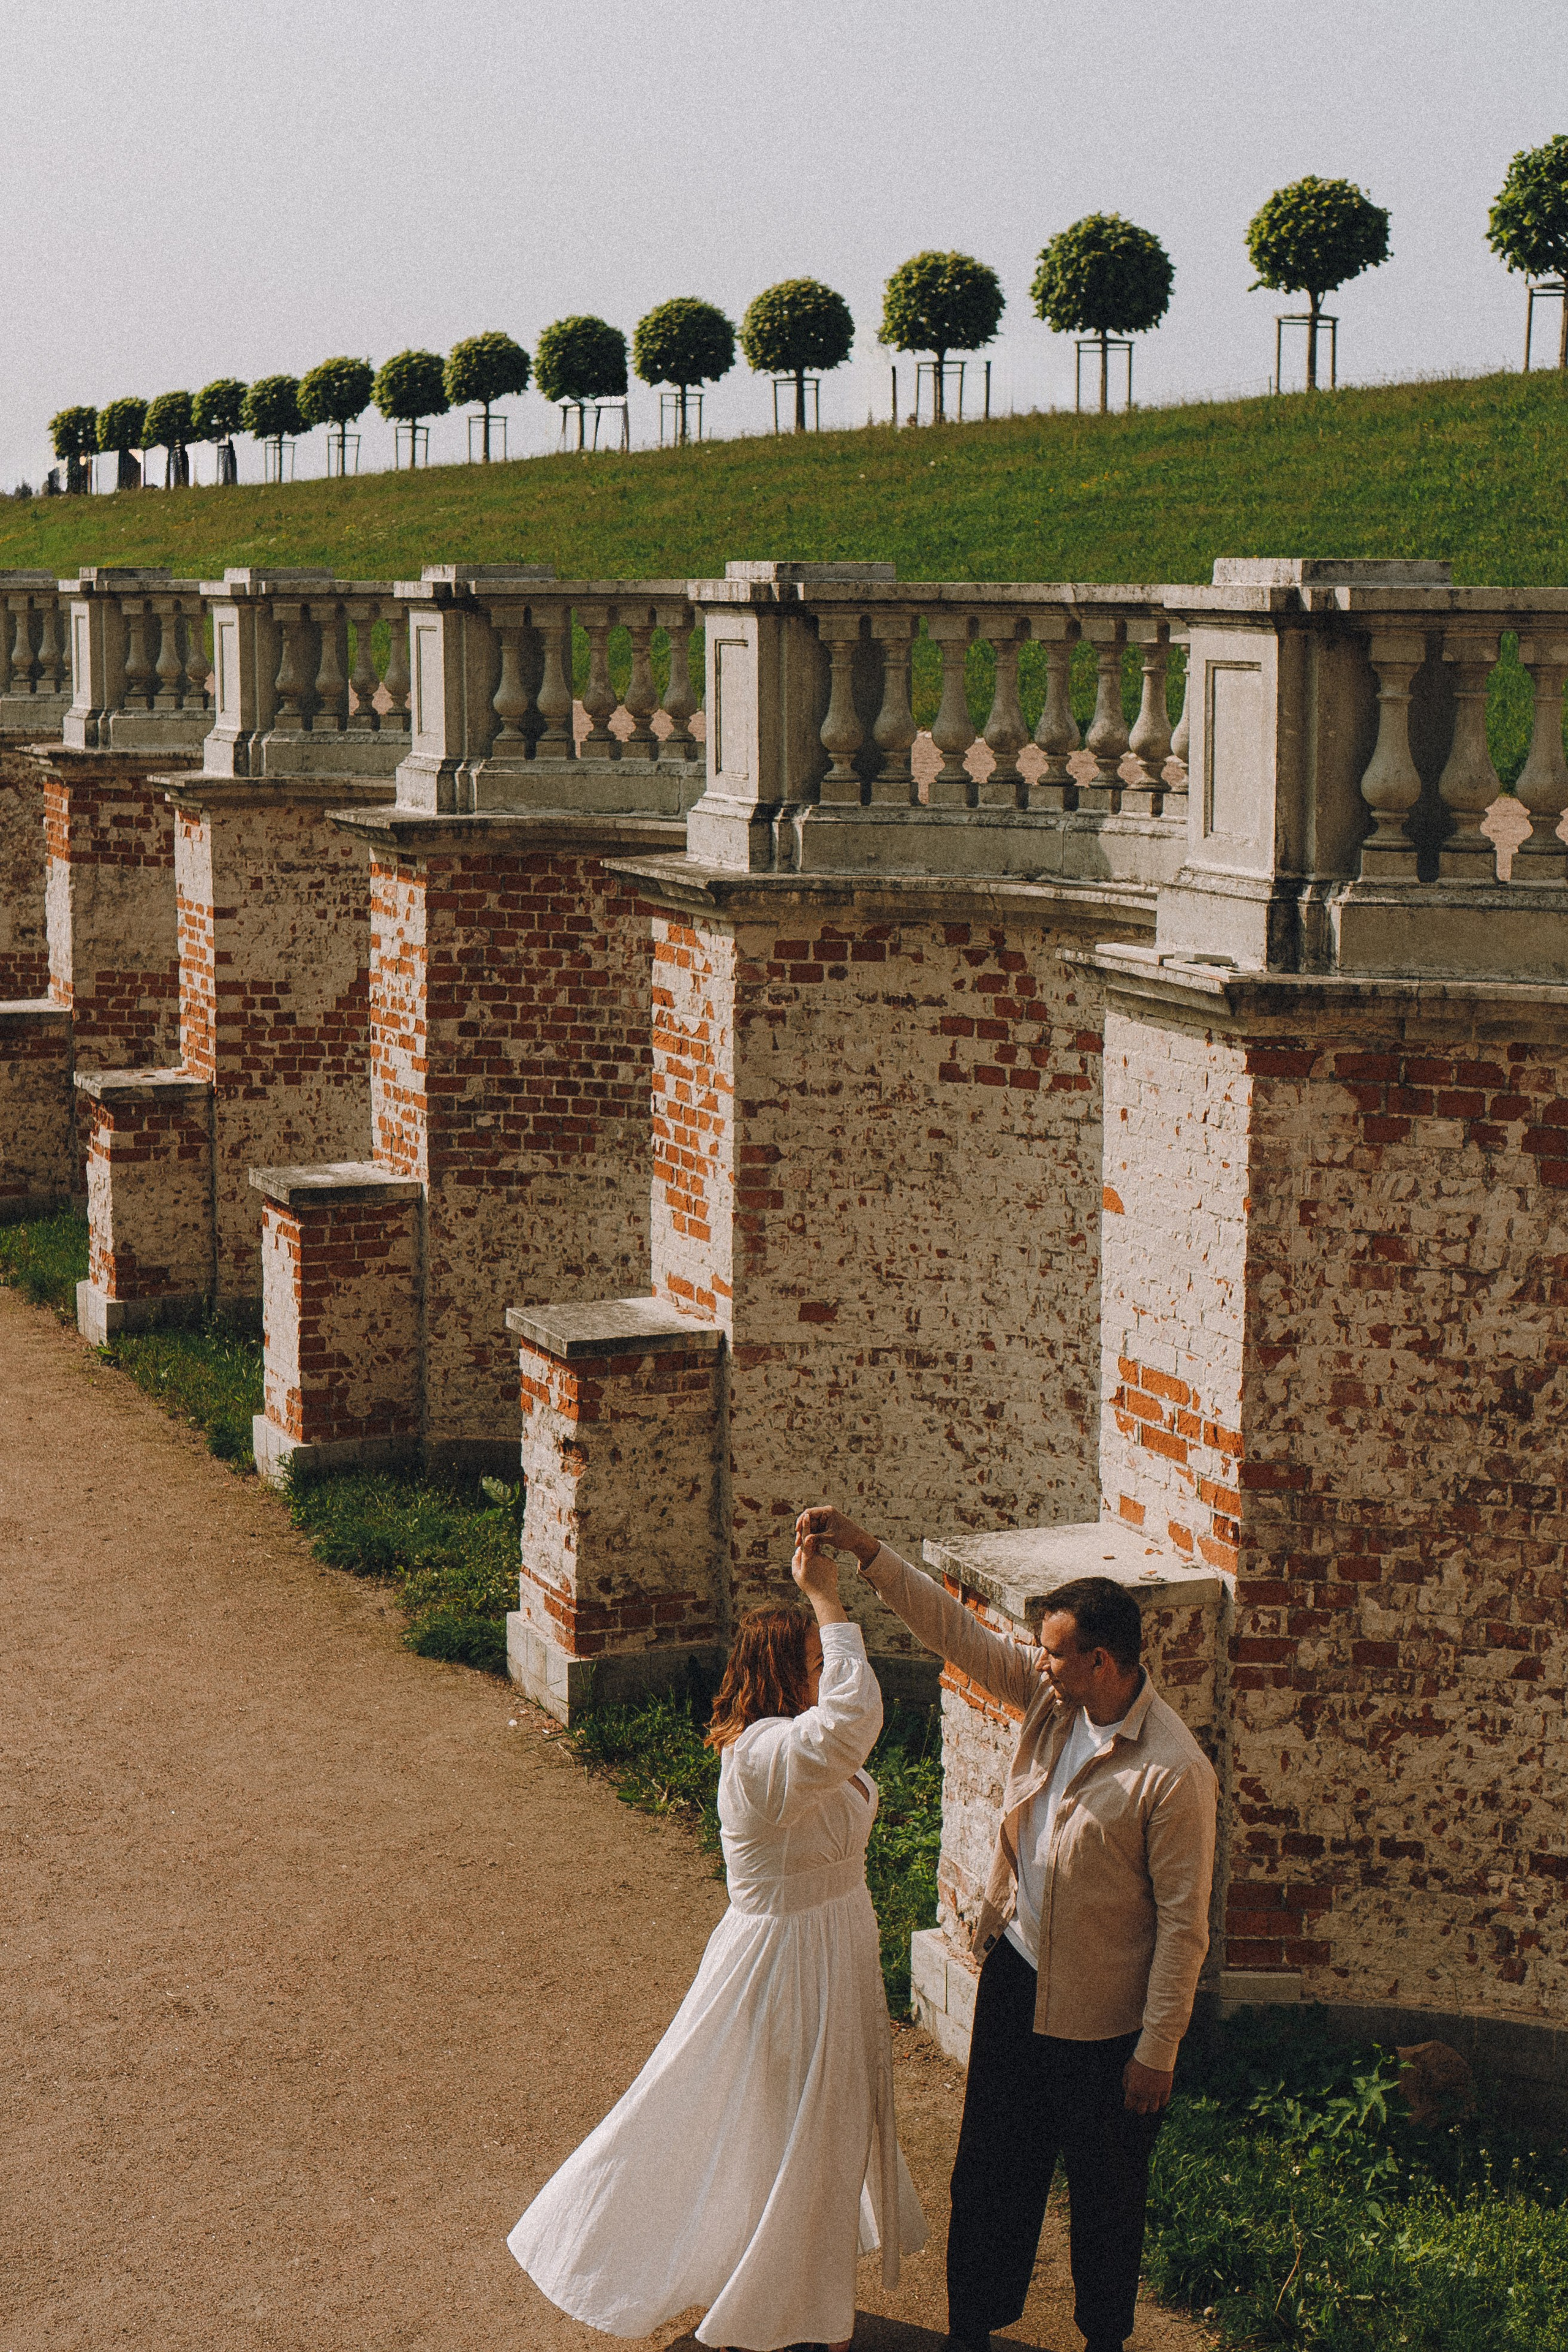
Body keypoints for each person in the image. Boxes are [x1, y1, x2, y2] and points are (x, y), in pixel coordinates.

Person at [796, 1505, 1218, 2352]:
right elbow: (958, 1633)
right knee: (988, 2174)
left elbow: (1184, 1927)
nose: (1039, 1662)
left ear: (1099, 1660)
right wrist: (870, 1553)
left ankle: (1106, 2342)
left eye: (1055, 1650)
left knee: (1106, 2198)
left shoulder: (1174, 1774)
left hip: (1107, 2026)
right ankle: (971, 2334)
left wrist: (1157, 2051)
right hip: (1019, 1981)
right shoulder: (1052, 1705)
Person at [507, 1534, 926, 2352]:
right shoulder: (765, 1754)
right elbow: (854, 1724)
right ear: (783, 1669)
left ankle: (810, 2303)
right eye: (813, 1657)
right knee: (788, 2128)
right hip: (786, 1963)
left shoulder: (791, 1745)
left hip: (832, 1945)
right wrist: (829, 1601)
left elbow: (843, 1734)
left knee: (825, 2122)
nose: (825, 1667)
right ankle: (781, 2309)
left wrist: (827, 1617)